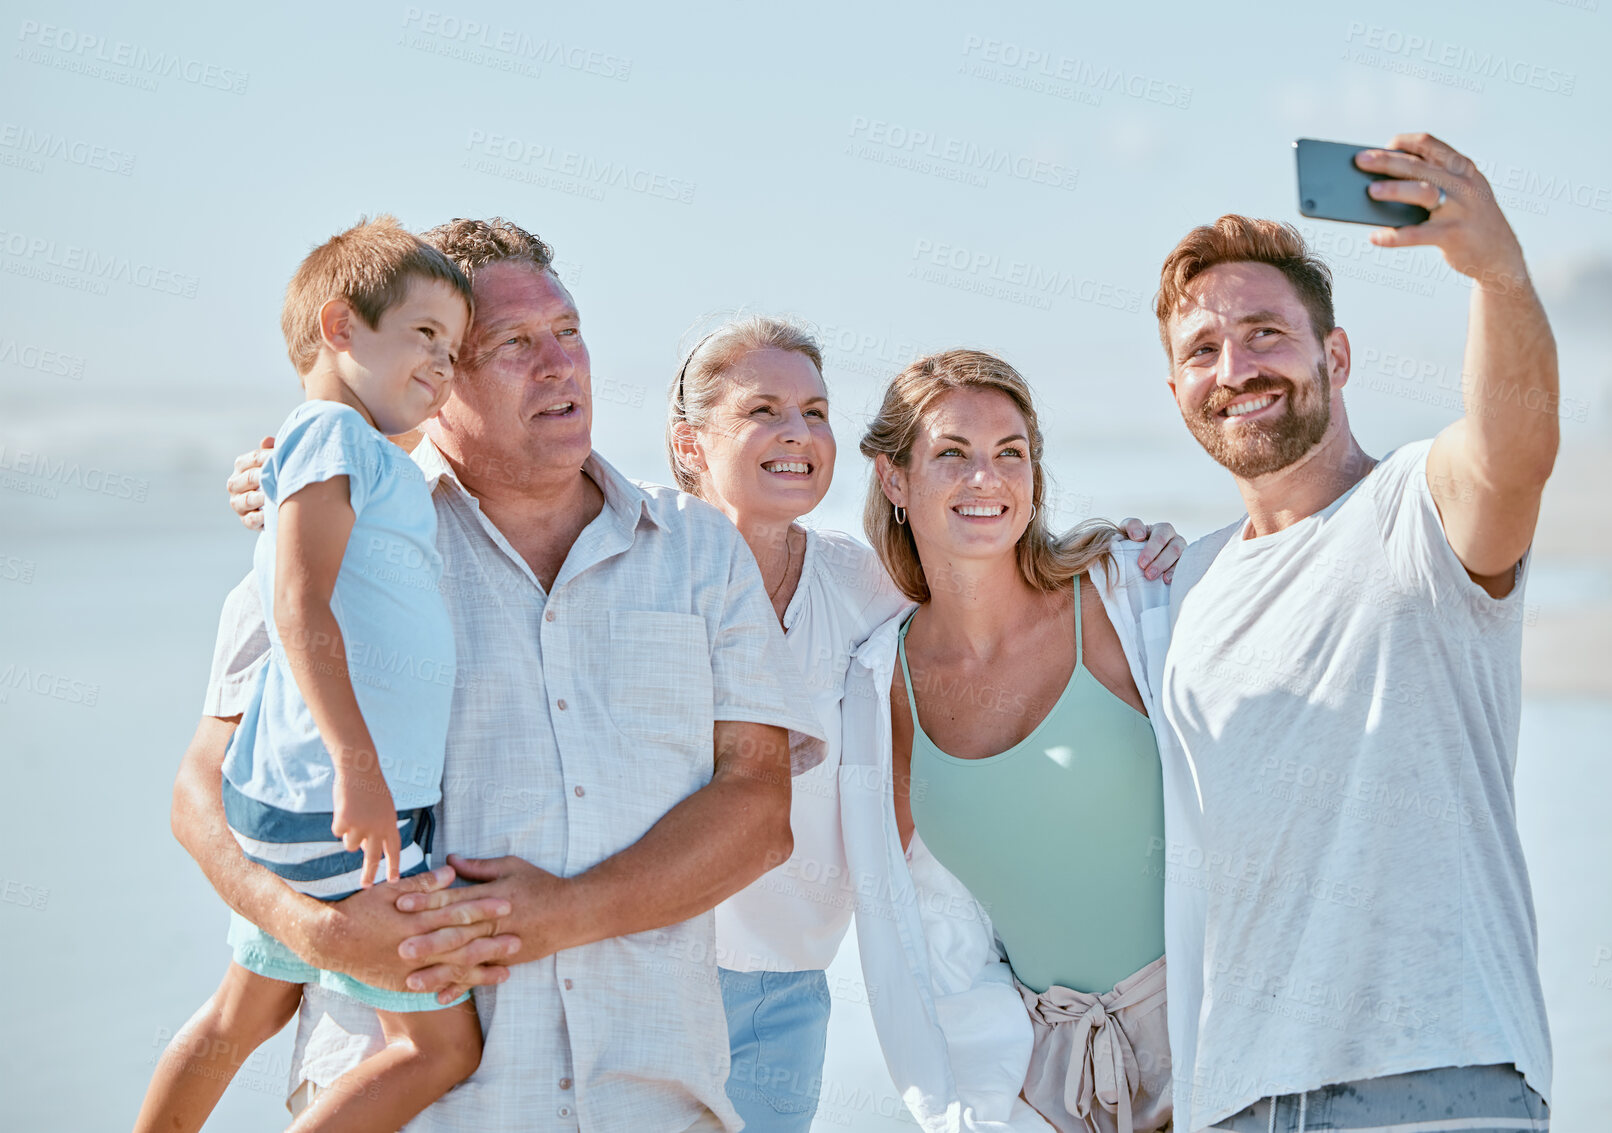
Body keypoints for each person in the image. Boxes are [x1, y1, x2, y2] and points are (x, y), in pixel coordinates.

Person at [169, 217, 823, 1132]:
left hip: (651, 1101)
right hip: (408, 1102)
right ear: (431, 380)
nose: (559, 365)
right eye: (513, 344)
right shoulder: (336, 524)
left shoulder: (698, 551)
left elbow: (758, 812)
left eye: (567, 331)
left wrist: (561, 914)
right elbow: (201, 792)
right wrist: (311, 928)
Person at [662, 318, 1187, 1131]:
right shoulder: (641, 576)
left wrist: (1155, 552)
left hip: (783, 993)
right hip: (638, 960)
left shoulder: (876, 596)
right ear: (895, 478)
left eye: (813, 409)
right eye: (762, 409)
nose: (985, 476)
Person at [1152, 135, 1557, 1131]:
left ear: (1334, 354)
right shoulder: (1182, 581)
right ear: (1176, 394)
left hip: (1438, 1070)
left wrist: (1495, 274)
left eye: (1264, 334)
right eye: (1202, 351)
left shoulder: (1416, 507)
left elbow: (1515, 451)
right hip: (1240, 1096)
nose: (1234, 367)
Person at [135, 217, 480, 1133]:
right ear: (339, 327)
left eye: (456, 351)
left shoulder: (359, 450)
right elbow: (298, 603)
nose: (446, 366)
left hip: (305, 803)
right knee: (442, 1047)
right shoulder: (330, 431)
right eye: (427, 336)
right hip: (347, 808)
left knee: (245, 1007)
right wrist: (359, 766)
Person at [839, 348, 1209, 1133]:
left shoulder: (1126, 595)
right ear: (893, 479)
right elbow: (915, 933)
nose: (987, 478)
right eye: (952, 454)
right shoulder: (880, 687)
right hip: (1049, 1086)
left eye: (1011, 453)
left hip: (1212, 1033)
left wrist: (1193, 569)